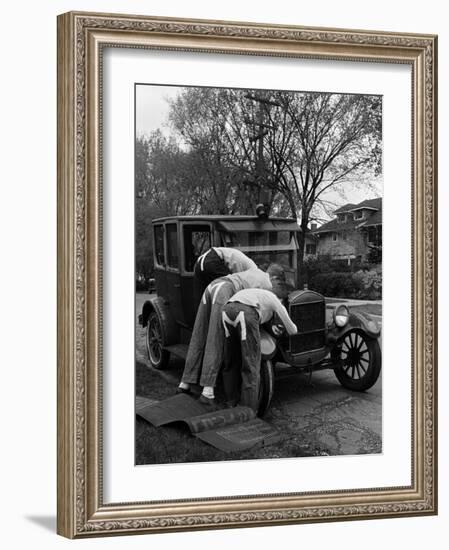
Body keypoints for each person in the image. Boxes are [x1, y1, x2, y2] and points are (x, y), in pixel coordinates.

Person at [178, 265, 282, 406]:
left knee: (200, 333)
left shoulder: (252, 271)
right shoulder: (266, 282)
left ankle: (185, 382)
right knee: (216, 337)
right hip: (224, 291)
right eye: (278, 282)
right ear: (274, 277)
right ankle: (207, 392)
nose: (276, 285)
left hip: (212, 286)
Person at [221, 288, 298, 412]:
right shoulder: (275, 300)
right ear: (281, 299)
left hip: (226, 310)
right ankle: (248, 409)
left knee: (231, 360)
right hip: (245, 313)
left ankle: (231, 402)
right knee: (251, 365)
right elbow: (292, 330)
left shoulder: (258, 293)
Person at [193, 247, 257, 309]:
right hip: (213, 259)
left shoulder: (249, 268)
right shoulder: (253, 272)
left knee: (201, 299)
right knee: (227, 291)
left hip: (202, 261)